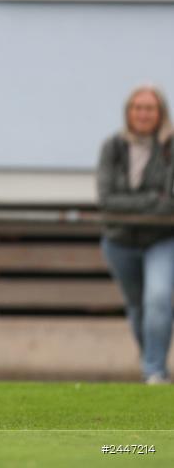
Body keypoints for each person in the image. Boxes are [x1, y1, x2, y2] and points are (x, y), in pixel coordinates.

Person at [98, 85, 174, 385]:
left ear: (160, 112)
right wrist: (150, 200)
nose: (143, 114)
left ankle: (153, 372)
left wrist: (135, 203)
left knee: (158, 298)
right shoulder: (113, 147)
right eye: (138, 107)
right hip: (120, 240)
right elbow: (107, 199)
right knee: (138, 305)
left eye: (150, 108)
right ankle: (151, 360)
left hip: (161, 238)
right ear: (129, 112)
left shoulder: (170, 148)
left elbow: (170, 201)